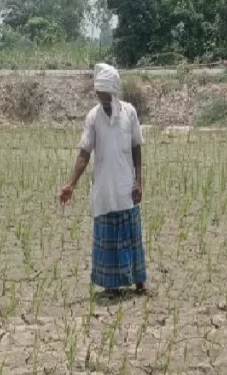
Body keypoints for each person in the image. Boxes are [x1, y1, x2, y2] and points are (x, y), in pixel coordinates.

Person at [60, 63, 149, 295]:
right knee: (108, 238)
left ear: (114, 90)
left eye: (105, 92)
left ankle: (140, 281)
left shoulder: (129, 112)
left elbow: (137, 146)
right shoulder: (93, 117)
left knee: (132, 236)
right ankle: (112, 285)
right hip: (104, 188)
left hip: (125, 186)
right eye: (98, 92)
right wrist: (71, 184)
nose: (101, 96)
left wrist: (139, 180)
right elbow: (84, 153)